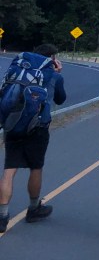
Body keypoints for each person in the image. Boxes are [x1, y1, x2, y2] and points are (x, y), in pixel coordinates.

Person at [0, 43, 66, 233]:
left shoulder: (20, 70)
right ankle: (34, 208)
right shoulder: (53, 76)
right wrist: (58, 73)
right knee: (36, 167)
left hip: (12, 124)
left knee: (9, 169)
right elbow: (60, 99)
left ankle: (2, 216)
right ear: (52, 59)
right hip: (37, 128)